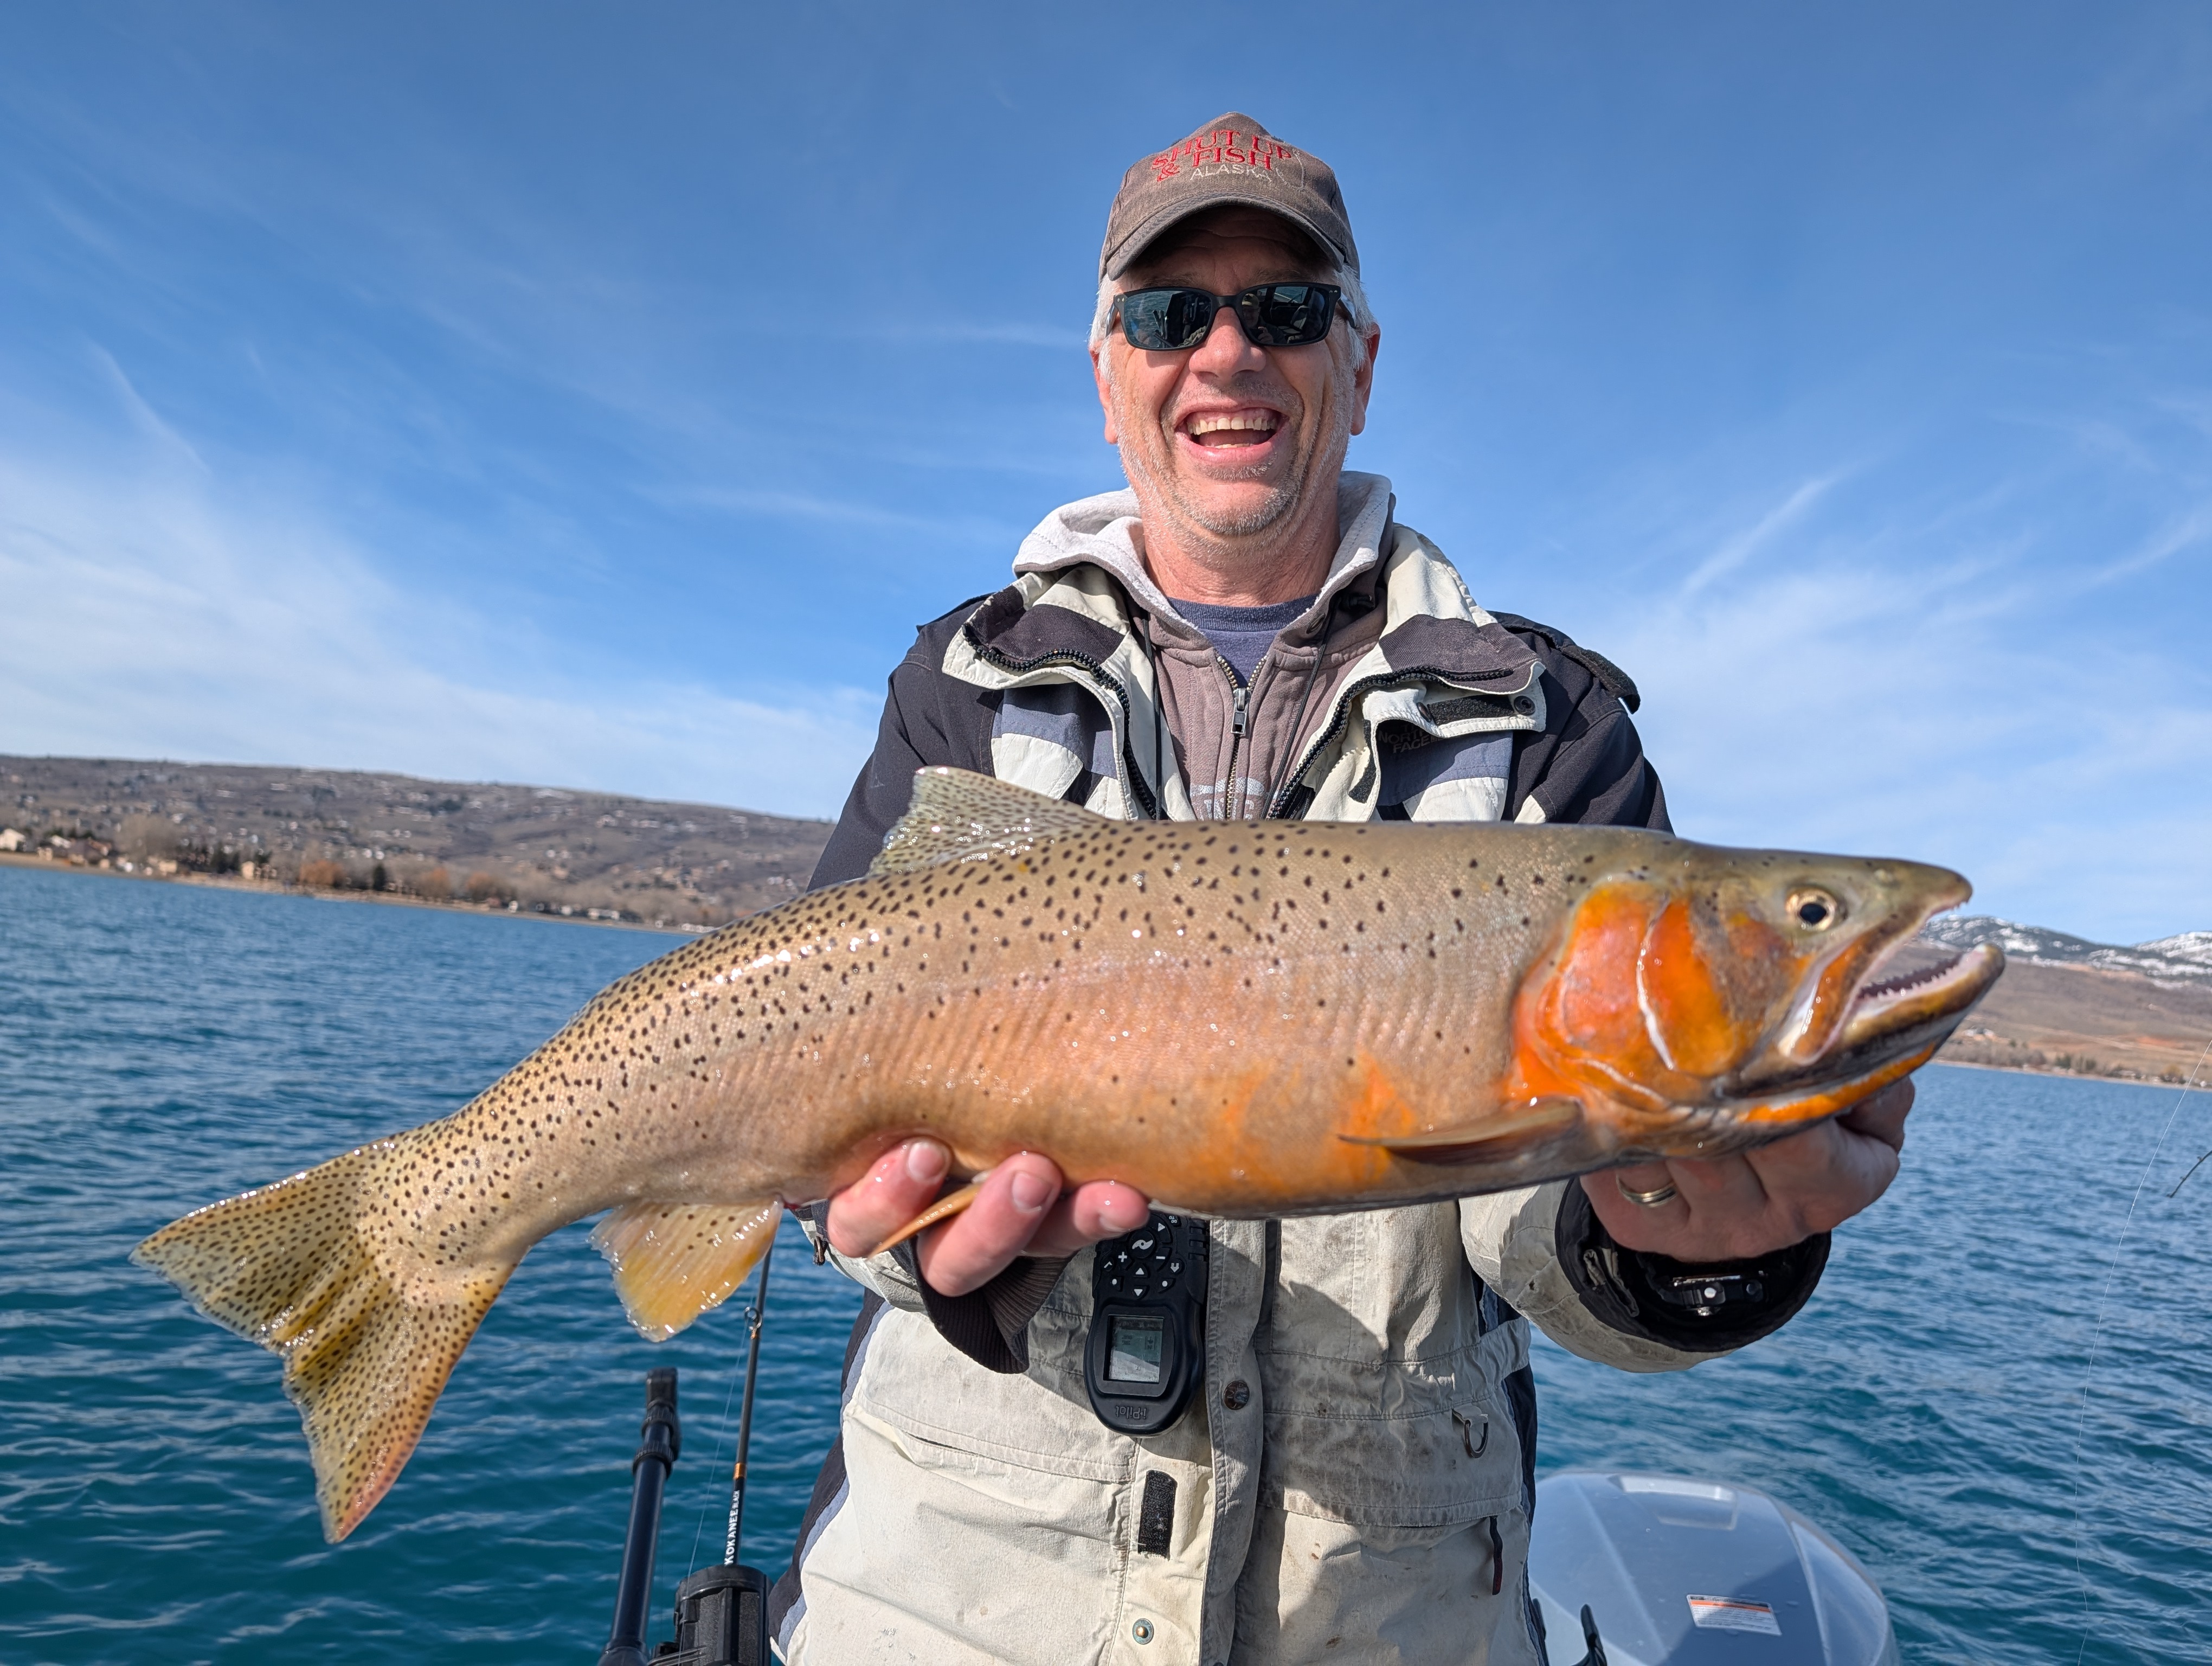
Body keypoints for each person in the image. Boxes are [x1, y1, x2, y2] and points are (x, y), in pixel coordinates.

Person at [767, 113, 1914, 1665]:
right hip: (955, 1610)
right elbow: (819, 1128)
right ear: (1110, 377)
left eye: (1286, 311)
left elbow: (1542, 1229)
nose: (1229, 352)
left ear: (1359, 364)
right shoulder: (961, 685)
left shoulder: (1552, 726)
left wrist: (1681, 1238)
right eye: (1174, 314)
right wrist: (915, 1243)